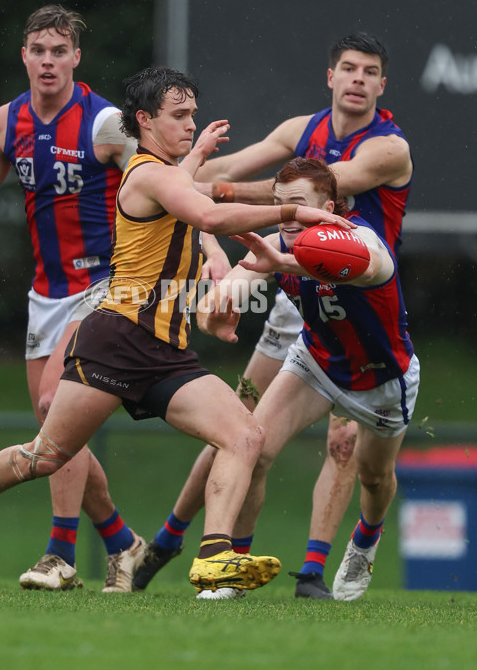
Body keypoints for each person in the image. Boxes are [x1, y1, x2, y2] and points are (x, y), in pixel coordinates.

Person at [0, 66, 352, 593]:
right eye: (180, 116)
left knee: (245, 434)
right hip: (117, 338)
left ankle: (213, 556)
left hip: (167, 350)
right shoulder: (146, 174)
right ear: (144, 120)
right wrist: (293, 211)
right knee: (44, 456)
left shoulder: (167, 171)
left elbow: (186, 188)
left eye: (194, 114)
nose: (191, 123)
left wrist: (196, 155)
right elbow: (208, 216)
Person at [132, 32, 413, 599]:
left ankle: (363, 538)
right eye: (348, 68)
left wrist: (225, 198)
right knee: (245, 436)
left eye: (370, 71)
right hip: (311, 330)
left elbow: (325, 193)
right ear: (330, 76)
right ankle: (227, 566)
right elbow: (251, 260)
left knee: (371, 474)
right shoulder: (296, 142)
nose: (357, 79)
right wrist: (178, 180)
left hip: (372, 335)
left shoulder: (387, 155)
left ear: (382, 85)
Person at [0, 4, 156, 593]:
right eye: (38, 50)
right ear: (24, 55)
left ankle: (59, 555)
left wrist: (209, 249)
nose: (47, 61)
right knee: (54, 430)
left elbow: (163, 182)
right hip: (46, 294)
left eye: (59, 51)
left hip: (104, 285)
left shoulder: (106, 123)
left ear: (76, 60)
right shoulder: (6, 122)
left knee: (50, 406)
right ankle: (123, 543)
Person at [197, 156, 420, 601]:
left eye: (299, 205)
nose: (290, 216)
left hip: (380, 378)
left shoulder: (360, 239)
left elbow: (366, 264)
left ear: (331, 208)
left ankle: (365, 540)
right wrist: (214, 309)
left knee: (374, 479)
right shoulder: (277, 243)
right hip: (315, 361)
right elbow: (237, 284)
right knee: (254, 448)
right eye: (282, 206)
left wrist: (284, 260)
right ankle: (233, 574)